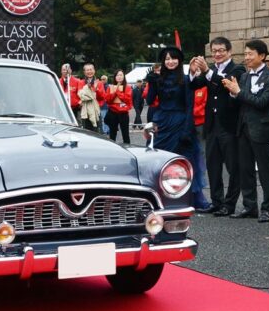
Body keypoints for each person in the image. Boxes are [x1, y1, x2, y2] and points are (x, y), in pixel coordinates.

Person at [146, 46, 209, 211]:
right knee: (157, 160)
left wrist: (188, 129)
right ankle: (157, 197)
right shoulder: (158, 79)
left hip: (181, 121)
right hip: (161, 122)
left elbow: (190, 105)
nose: (170, 61)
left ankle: (192, 198)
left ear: (179, 61)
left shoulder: (186, 80)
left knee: (186, 160)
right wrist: (151, 81)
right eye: (167, 59)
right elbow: (150, 100)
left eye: (173, 58)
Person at [189, 36, 246, 217]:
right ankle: (217, 201)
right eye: (214, 51)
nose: (217, 54)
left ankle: (229, 204)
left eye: (221, 50)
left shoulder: (237, 69)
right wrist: (192, 72)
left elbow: (224, 84)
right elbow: (195, 84)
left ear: (229, 51)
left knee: (232, 167)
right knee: (212, 165)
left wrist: (207, 71)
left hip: (229, 125)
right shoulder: (211, 69)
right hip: (212, 125)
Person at [222, 39, 269, 223]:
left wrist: (239, 92)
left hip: (261, 128)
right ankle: (249, 206)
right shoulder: (244, 76)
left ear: (262, 56)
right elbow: (238, 103)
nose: (246, 57)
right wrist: (232, 93)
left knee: (265, 170)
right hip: (243, 128)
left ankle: (267, 209)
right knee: (245, 169)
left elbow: (262, 103)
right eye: (245, 54)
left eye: (250, 54)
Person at [104, 69, 132, 144]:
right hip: (113, 112)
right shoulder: (110, 87)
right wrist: (114, 92)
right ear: (115, 77)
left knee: (125, 134)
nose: (119, 77)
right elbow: (107, 100)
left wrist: (117, 92)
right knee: (112, 134)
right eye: (117, 75)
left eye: (121, 75)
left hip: (123, 113)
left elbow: (127, 99)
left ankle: (127, 149)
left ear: (124, 77)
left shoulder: (128, 87)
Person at [77, 63, 106, 132]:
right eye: (87, 70)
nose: (89, 71)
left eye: (91, 69)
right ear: (84, 72)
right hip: (85, 110)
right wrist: (91, 92)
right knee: (86, 132)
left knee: (97, 131)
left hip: (96, 110)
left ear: (94, 70)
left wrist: (96, 90)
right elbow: (81, 95)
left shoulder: (99, 83)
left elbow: (103, 97)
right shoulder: (81, 82)